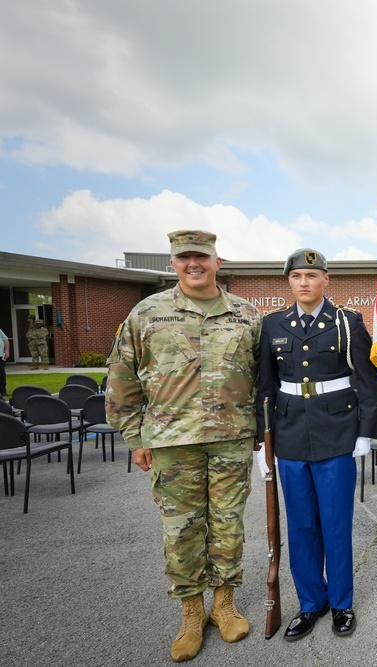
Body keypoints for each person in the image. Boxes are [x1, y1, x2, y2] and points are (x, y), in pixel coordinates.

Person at [106, 230, 262, 662]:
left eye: (202, 257)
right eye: (184, 257)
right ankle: (191, 612)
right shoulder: (146, 313)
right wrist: (134, 436)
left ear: (218, 262)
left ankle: (224, 605)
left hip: (230, 438)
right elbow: (121, 376)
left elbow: (261, 375)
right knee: (181, 530)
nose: (193, 263)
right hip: (172, 442)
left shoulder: (246, 314)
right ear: (173, 264)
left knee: (229, 523)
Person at [255, 248, 377, 640]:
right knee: (302, 525)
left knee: (336, 523)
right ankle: (311, 603)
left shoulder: (347, 322)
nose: (304, 282)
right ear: (289, 282)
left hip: (337, 431)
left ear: (327, 279)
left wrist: (365, 432)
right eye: (297, 277)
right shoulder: (273, 324)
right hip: (290, 434)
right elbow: (265, 386)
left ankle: (341, 602)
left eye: (312, 275)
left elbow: (369, 380)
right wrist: (263, 441)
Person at [0, 326, 9, 398]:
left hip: (0, 355)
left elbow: (5, 339)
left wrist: (6, 350)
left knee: (2, 373)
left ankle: (3, 391)